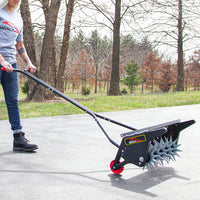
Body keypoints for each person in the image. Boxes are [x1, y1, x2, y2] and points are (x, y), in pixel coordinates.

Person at [0, 0, 38, 151]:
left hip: (11, 64)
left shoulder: (18, 19)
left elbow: (19, 45)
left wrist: (28, 62)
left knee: (13, 101)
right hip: (3, 62)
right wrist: (2, 61)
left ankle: (18, 138)